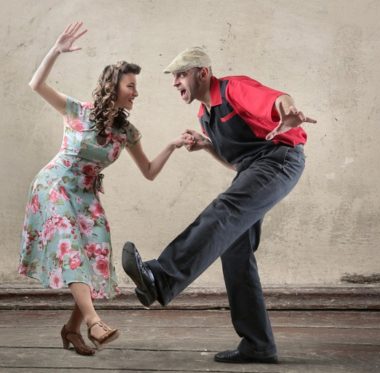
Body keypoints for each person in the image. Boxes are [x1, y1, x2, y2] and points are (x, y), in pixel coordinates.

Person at [122, 47, 316, 364]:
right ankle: (258, 345)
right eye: (172, 77)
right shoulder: (204, 115)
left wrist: (289, 110)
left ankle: (161, 277)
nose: (175, 82)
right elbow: (236, 162)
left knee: (225, 210)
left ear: (203, 73)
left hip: (279, 161)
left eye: (180, 74)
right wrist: (207, 147)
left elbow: (275, 98)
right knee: (235, 247)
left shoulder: (232, 88)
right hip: (254, 170)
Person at [19, 22, 185, 356]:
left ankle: (71, 329)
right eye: (131, 85)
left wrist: (173, 144)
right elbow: (36, 84)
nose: (136, 92)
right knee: (69, 248)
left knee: (96, 254)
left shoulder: (127, 133)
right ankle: (95, 323)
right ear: (114, 85)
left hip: (85, 196)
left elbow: (149, 171)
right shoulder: (76, 111)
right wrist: (56, 50)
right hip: (54, 186)